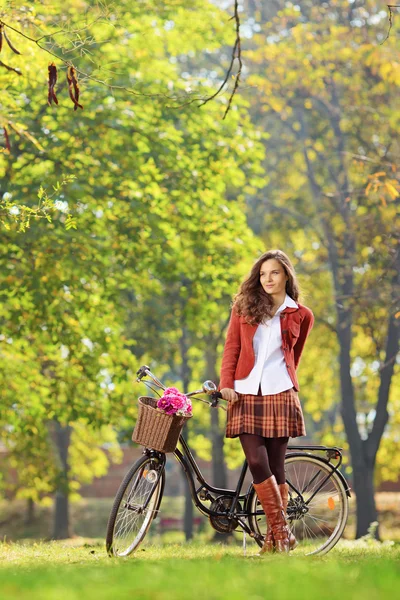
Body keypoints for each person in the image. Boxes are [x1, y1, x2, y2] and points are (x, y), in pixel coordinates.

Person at [218, 249, 314, 554]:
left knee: (276, 466)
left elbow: (293, 359)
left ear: (286, 274)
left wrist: (287, 384)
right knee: (257, 461)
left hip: (281, 393)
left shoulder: (301, 314)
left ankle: (275, 541)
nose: (267, 279)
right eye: (262, 274)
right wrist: (226, 384)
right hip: (245, 393)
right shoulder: (243, 307)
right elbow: (231, 348)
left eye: (274, 272)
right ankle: (284, 533)